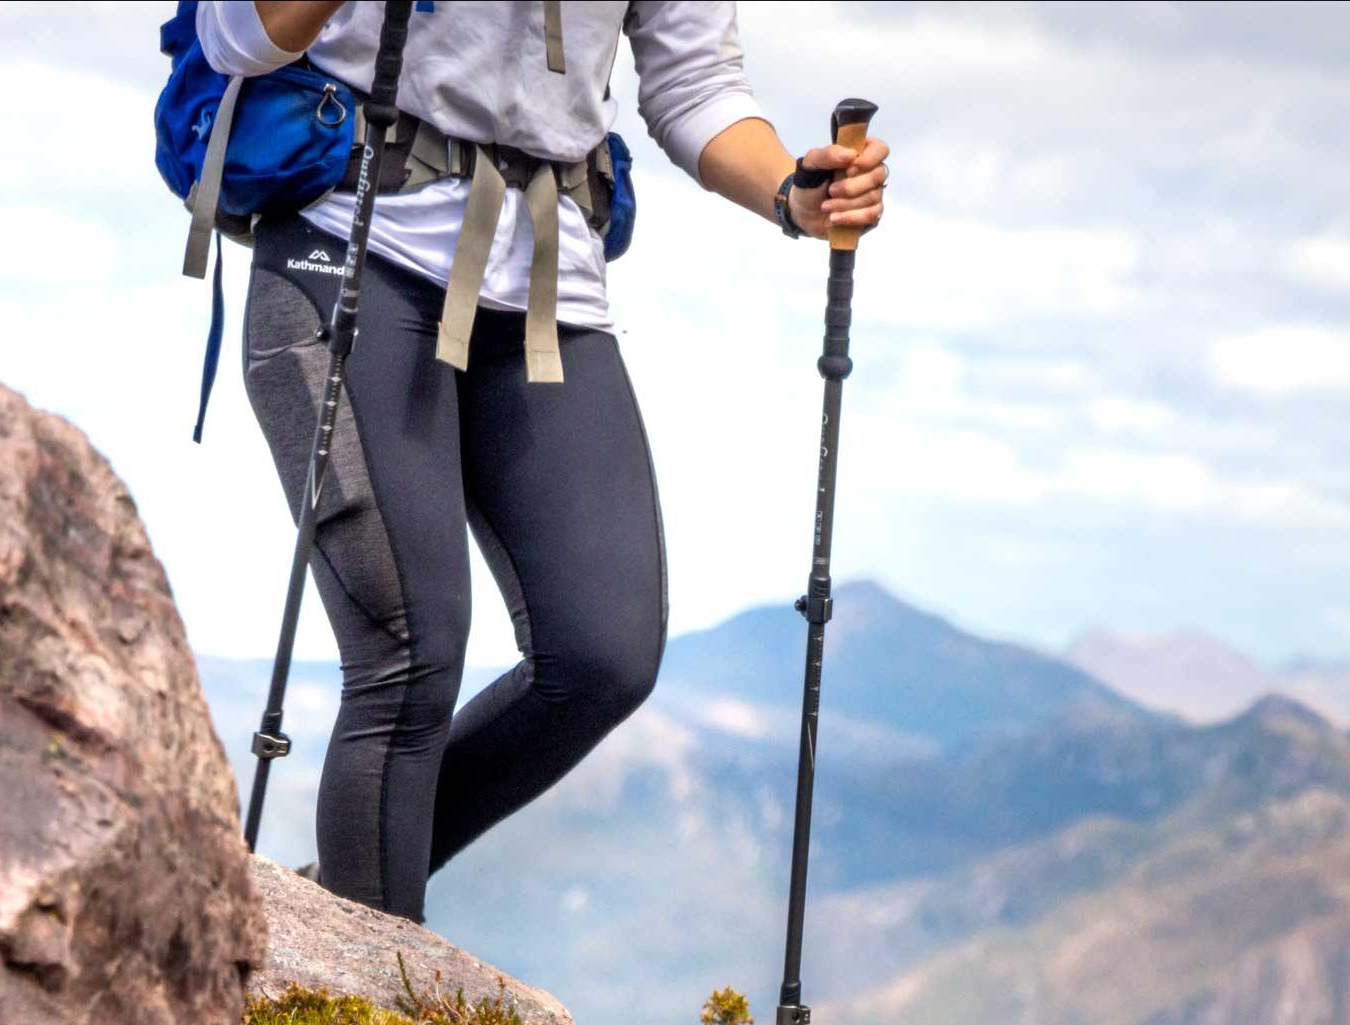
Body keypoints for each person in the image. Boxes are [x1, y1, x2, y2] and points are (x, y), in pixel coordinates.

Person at [198, 0, 889, 924]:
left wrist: (790, 194)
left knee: (603, 656)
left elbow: (696, 83)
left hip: (547, 279)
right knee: (410, 656)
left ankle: (337, 907)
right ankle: (365, 977)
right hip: (353, 240)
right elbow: (234, 35)